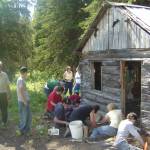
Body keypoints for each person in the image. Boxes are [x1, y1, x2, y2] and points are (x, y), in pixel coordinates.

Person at [17, 66, 32, 134]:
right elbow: (21, 91)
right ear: (24, 72)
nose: (27, 74)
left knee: (27, 115)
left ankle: (26, 129)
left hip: (24, 100)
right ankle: (22, 130)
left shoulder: (21, 79)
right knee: (24, 116)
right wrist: (25, 101)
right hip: (23, 101)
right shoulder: (20, 80)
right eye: (26, 73)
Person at [0, 61, 11, 126]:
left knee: (4, 109)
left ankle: (4, 121)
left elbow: (7, 85)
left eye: (0, 66)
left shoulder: (4, 74)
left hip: (3, 94)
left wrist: (9, 94)